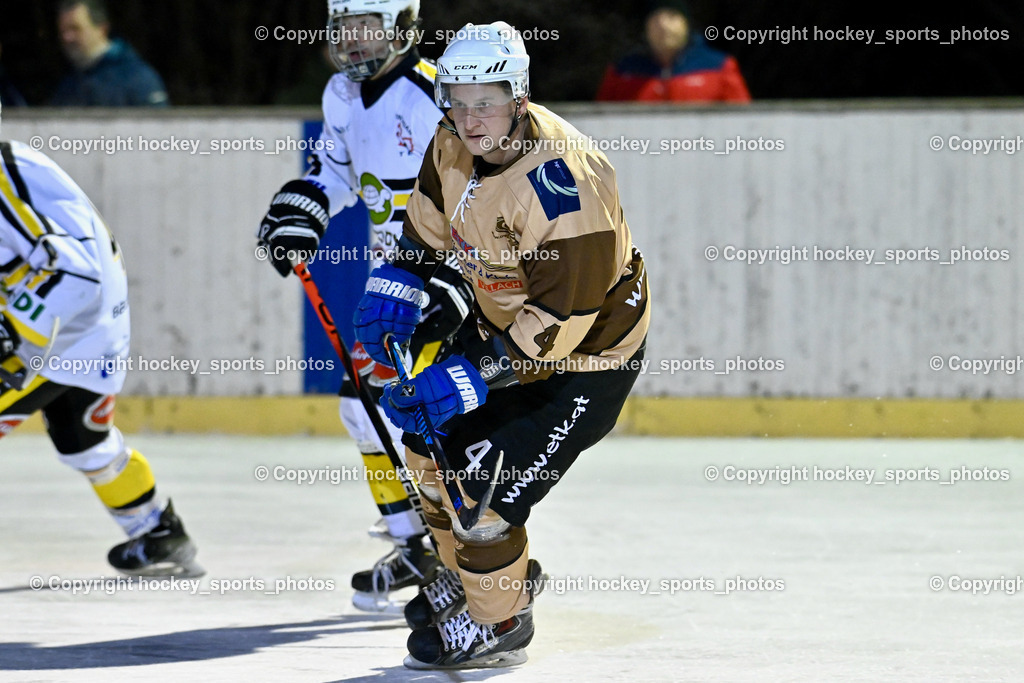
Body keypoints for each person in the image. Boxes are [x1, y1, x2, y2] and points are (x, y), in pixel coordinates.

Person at [353, 21, 651, 669]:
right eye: (456, 100)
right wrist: (398, 280)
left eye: (484, 100)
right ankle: (479, 579)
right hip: (504, 320)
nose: (469, 117)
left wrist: (468, 375)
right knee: (425, 443)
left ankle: (501, 619)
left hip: (587, 355)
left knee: (479, 479)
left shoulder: (566, 181)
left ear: (518, 97)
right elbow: (427, 225)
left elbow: (562, 320)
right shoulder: (453, 140)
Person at [256, 0, 472, 612]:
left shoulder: (437, 96)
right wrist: (304, 209)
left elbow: (479, 187)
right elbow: (335, 173)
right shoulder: (341, 95)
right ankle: (416, 546)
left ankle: (470, 562)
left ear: (403, 26)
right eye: (343, 29)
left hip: (445, 281)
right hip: (389, 286)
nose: (352, 42)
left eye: (367, 28)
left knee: (430, 421)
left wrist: (457, 279)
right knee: (362, 410)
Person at [0, 101, 200, 576]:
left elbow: (75, 270)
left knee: (81, 433)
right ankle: (158, 531)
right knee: (83, 439)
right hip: (86, 326)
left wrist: (11, 332)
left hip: (64, 329)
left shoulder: (6, 176)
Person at [596, 2, 750, 103]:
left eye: (672, 16)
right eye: (655, 18)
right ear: (646, 27)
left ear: (686, 23)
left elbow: (743, 122)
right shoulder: (622, 72)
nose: (663, 25)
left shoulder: (720, 67)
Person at [50, 0, 169, 107]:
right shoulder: (69, 84)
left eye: (75, 28)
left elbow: (157, 127)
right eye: (63, 31)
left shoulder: (137, 78)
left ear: (102, 28)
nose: (67, 38)